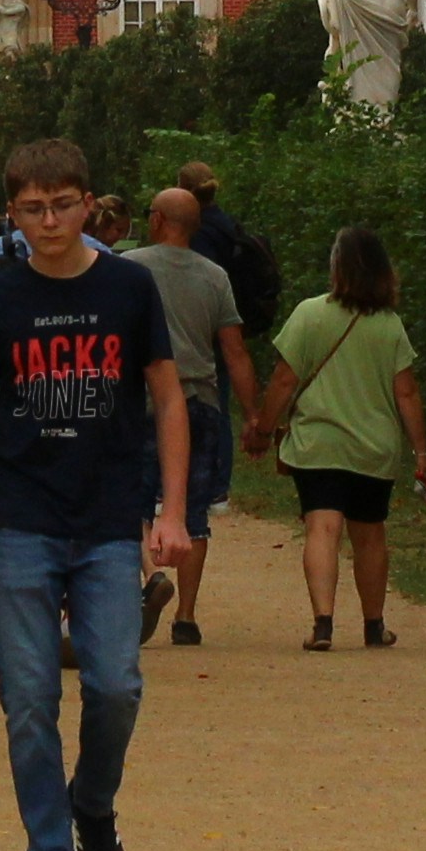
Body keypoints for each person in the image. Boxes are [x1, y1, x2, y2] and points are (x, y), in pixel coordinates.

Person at [0, 139, 186, 851]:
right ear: (12, 214)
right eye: (34, 209)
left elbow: (168, 399)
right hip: (20, 517)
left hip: (108, 516)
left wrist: (172, 511)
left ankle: (93, 803)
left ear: (88, 203)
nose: (49, 221)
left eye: (63, 205)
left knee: (115, 684)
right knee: (28, 698)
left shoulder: (129, 287)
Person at [254, 222, 426, 653]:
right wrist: (422, 451)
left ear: (337, 267)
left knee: (322, 527)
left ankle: (323, 623)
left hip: (318, 444)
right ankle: (374, 625)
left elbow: (284, 381)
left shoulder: (309, 314)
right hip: (373, 447)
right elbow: (407, 392)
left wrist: (263, 429)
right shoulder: (390, 325)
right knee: (370, 534)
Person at [128, 189, 258, 650]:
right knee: (193, 508)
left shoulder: (131, 269)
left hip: (142, 400)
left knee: (132, 500)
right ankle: (186, 615)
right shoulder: (215, 276)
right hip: (199, 402)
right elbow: (234, 351)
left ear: (157, 220)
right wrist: (253, 414)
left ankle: (152, 574)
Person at [173, 159, 287, 344]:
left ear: (185, 192)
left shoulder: (199, 233)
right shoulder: (228, 223)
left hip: (212, 329)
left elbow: (202, 285)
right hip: (235, 317)